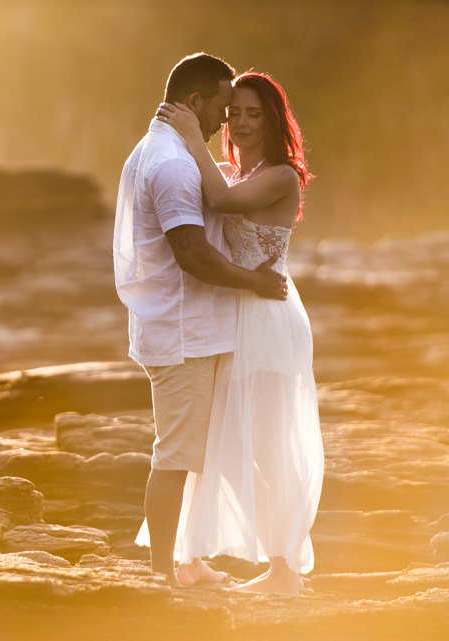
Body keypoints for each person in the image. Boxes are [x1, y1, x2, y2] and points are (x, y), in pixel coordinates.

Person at [113, 53, 288, 589]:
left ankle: (190, 562)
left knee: (206, 453)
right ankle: (164, 576)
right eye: (221, 107)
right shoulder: (170, 163)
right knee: (175, 457)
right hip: (185, 334)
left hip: (197, 329)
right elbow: (190, 253)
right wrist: (254, 281)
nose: (226, 121)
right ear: (193, 104)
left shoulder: (165, 151)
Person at [153, 72, 324, 595]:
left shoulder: (282, 176)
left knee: (269, 447)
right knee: (225, 442)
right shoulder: (230, 170)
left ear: (274, 120)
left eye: (255, 114)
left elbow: (223, 203)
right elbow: (211, 195)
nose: (242, 123)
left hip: (269, 319)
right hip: (232, 321)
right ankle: (199, 555)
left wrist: (188, 137)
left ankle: (284, 571)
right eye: (235, 114)